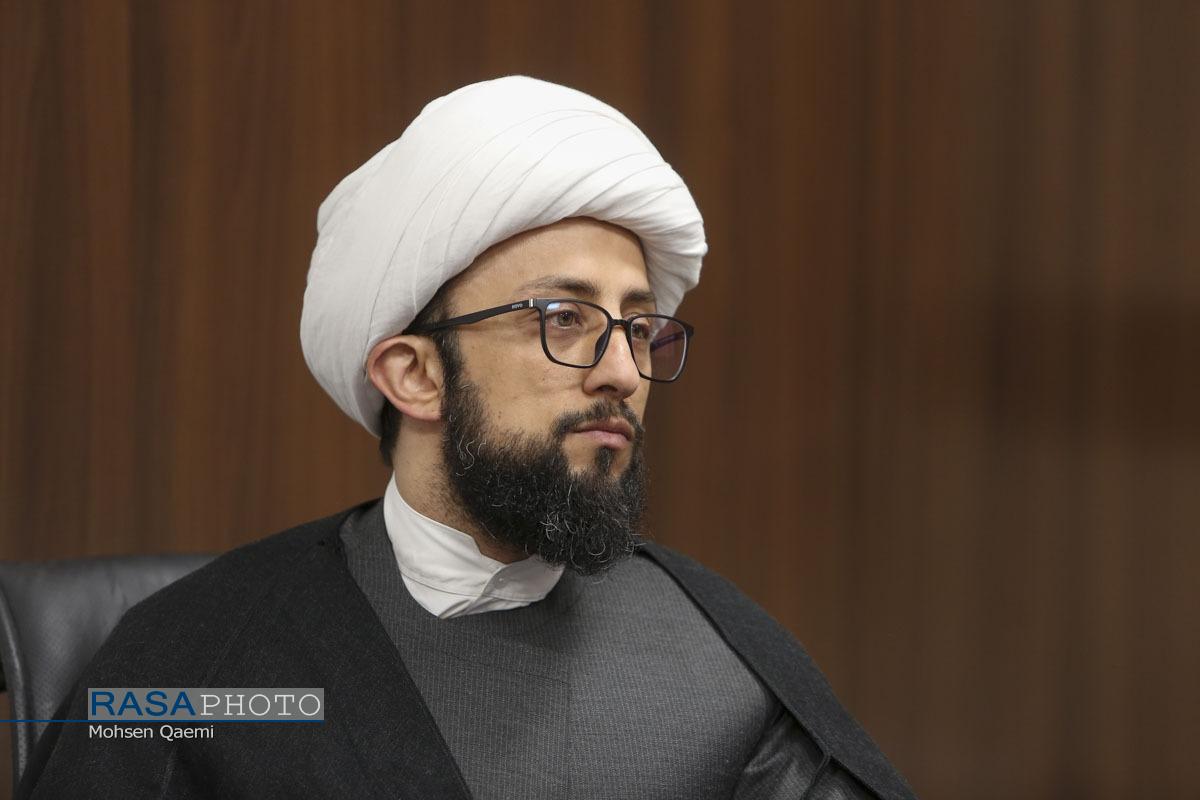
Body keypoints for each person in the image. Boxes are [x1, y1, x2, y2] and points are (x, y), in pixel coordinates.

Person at [23, 77, 915, 800]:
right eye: (564, 319)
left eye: (640, 329)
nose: (622, 372)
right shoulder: (198, 666)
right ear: (414, 375)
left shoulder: (717, 649)